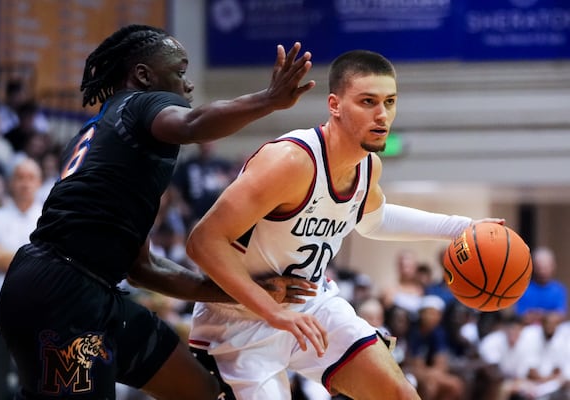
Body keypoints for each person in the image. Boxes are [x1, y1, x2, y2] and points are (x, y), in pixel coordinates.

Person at [0, 24, 318, 400]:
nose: (189, 85)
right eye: (180, 72)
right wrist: (268, 100)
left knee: (202, 390)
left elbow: (144, 269)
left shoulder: (105, 135)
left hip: (85, 289)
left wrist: (243, 293)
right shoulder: (140, 104)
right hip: (62, 291)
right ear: (144, 75)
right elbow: (193, 124)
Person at [185, 49, 503, 399]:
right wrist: (272, 310)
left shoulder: (368, 167)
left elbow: (374, 220)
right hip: (239, 319)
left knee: (402, 395)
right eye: (368, 101)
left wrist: (463, 228)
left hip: (311, 304)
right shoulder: (289, 162)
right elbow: (203, 242)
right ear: (335, 105)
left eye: (390, 102)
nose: (382, 115)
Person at [0, 157, 43, 399]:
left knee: (38, 393)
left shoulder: (51, 219)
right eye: (19, 177)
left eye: (30, 177)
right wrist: (37, 258)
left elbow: (55, 261)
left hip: (39, 323)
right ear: (9, 182)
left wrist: (11, 257)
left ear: (39, 183)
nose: (25, 183)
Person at [514, 246, 568, 325]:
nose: (542, 272)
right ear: (533, 267)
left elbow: (560, 315)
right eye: (540, 268)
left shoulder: (559, 290)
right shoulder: (524, 289)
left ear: (553, 267)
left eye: (545, 268)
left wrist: (539, 315)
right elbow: (522, 317)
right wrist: (547, 315)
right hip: (529, 331)